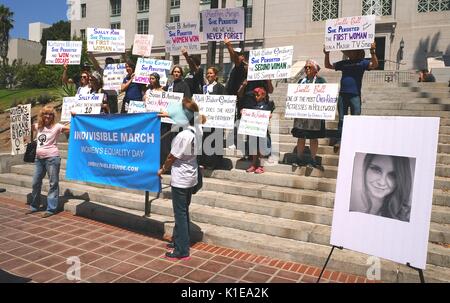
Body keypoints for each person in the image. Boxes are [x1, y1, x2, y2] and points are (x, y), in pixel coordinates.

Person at [158, 99, 206, 260]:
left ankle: (182, 249)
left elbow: (172, 157)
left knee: (180, 213)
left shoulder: (183, 135)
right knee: (183, 211)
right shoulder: (197, 129)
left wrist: (162, 169)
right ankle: (179, 239)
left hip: (181, 178)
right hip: (190, 176)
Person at [324, 43, 378, 152]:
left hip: (355, 95)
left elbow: (375, 65)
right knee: (341, 119)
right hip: (343, 94)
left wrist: (372, 52)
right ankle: (340, 140)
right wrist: (326, 54)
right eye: (349, 51)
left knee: (355, 119)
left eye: (352, 51)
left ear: (357, 52)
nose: (350, 53)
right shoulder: (344, 63)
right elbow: (328, 66)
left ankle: (355, 140)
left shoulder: (362, 62)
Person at [26, 105, 70, 218]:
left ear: (53, 116)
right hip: (39, 159)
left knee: (53, 183)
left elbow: (70, 128)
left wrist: (75, 117)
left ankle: (51, 209)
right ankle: (34, 206)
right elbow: (27, 126)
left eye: (50, 114)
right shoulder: (38, 126)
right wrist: (23, 114)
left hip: (52, 158)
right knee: (36, 182)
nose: (48, 116)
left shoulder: (57, 126)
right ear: (42, 115)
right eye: (46, 113)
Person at [349, 153, 412, 222]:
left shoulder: (407, 217)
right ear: (365, 168)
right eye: (376, 170)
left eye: (392, 175)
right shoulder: (349, 205)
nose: (382, 182)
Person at [291, 59, 326, 170]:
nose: (306, 69)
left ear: (315, 69)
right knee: (301, 137)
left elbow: (325, 95)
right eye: (305, 67)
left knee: (313, 137)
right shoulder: (301, 81)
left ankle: (313, 159)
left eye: (309, 67)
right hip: (302, 114)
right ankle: (299, 158)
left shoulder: (321, 81)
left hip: (314, 114)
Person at [198, 66, 226, 170]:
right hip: (204, 119)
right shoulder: (204, 88)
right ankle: (204, 161)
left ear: (216, 75)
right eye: (208, 73)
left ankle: (214, 163)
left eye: (211, 73)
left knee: (215, 139)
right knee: (205, 139)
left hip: (216, 120)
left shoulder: (220, 87)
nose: (209, 75)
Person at [241, 87, 274, 174]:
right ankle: (253, 164)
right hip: (253, 131)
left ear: (263, 95)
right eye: (255, 95)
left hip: (262, 131)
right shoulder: (253, 105)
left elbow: (269, 113)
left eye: (257, 94)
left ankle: (261, 166)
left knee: (262, 148)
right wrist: (243, 113)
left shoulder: (267, 105)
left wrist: (269, 115)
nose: (255, 96)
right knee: (253, 147)